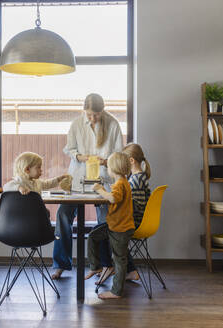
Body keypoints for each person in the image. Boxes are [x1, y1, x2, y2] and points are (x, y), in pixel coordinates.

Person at [52, 93, 124, 279]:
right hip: (78, 179)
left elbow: (118, 156)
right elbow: (69, 148)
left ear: (103, 110)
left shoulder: (113, 124)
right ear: (84, 110)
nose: (92, 118)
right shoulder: (77, 124)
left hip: (103, 182)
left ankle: (105, 265)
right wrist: (81, 157)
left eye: (96, 114)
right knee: (63, 215)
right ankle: (61, 263)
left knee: (105, 223)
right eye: (89, 114)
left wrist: (105, 161)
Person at [85, 152, 134, 299]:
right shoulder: (122, 182)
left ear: (114, 169)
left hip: (120, 228)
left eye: (108, 167)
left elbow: (113, 198)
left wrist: (100, 189)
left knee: (119, 260)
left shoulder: (120, 183)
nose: (107, 169)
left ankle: (116, 291)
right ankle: (96, 266)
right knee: (93, 236)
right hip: (114, 225)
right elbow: (114, 197)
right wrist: (105, 191)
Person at [122, 143, 152, 281]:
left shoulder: (137, 179)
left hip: (136, 223)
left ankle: (112, 268)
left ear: (131, 161)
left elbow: (136, 206)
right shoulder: (139, 177)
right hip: (137, 221)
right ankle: (127, 269)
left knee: (111, 232)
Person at [3, 152, 70, 195]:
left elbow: (48, 184)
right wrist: (19, 188)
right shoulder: (19, 181)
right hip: (22, 212)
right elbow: (6, 186)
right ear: (27, 169)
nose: (41, 170)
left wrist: (59, 179)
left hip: (35, 211)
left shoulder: (37, 182)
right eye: (38, 167)